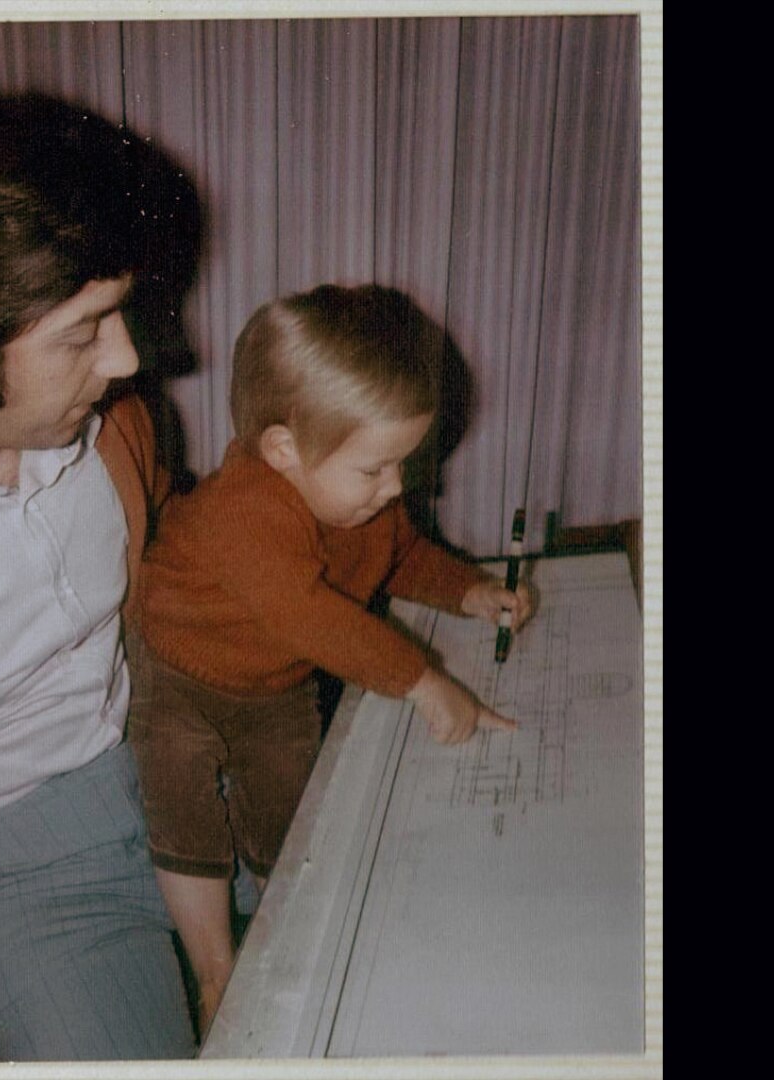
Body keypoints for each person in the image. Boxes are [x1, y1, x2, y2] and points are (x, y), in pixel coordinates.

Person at [132, 283, 535, 1029]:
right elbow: (312, 616)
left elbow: (401, 557)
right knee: (183, 807)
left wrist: (469, 590)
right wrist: (423, 681)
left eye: (402, 467)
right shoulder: (244, 508)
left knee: (291, 817)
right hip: (180, 665)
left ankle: (281, 934)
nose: (397, 488)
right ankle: (213, 968)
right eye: (377, 470)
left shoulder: (363, 502)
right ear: (283, 450)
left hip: (276, 680)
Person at [0, 94, 195, 1062]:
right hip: (4, 854)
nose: (128, 358)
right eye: (84, 332)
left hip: (175, 757)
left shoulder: (116, 431)